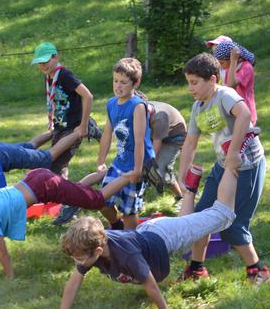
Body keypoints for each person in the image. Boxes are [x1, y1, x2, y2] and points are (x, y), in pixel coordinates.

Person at [57, 156, 244, 309]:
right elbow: (74, 283)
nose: (78, 262)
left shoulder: (126, 254)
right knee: (186, 225)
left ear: (98, 250)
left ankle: (231, 163)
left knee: (223, 215)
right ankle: (189, 191)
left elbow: (151, 284)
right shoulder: (92, 249)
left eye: (79, 258)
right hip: (150, 233)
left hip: (165, 236)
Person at [0, 168, 135, 279]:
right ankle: (101, 174)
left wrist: (10, 278)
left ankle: (130, 175)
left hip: (44, 187)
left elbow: (2, 252)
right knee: (77, 193)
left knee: (96, 200)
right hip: (35, 178)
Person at [175, 53, 270, 284]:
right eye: (189, 82)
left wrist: (234, 152)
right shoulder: (198, 107)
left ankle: (258, 272)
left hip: (246, 167)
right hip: (223, 166)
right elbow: (190, 143)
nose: (191, 88)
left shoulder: (225, 95)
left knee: (232, 224)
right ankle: (197, 270)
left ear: (213, 79)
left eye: (195, 82)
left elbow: (245, 114)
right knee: (202, 217)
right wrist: (180, 176)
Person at [89, 57, 153, 230]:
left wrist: (138, 170)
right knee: (102, 201)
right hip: (120, 161)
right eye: (115, 81)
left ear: (136, 83)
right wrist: (101, 161)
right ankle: (116, 225)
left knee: (129, 211)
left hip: (138, 163)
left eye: (124, 82)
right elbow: (107, 134)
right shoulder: (111, 104)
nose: (118, 86)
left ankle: (131, 242)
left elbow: (139, 141)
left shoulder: (137, 106)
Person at [32, 41, 95, 178]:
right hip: (60, 127)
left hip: (74, 127)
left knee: (55, 164)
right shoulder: (49, 76)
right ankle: (62, 195)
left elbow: (88, 96)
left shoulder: (65, 75)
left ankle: (89, 126)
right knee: (59, 165)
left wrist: (83, 126)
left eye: (46, 61)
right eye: (40, 62)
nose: (43, 65)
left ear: (56, 58)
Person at [144, 99, 188, 199]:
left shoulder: (159, 117)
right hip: (155, 134)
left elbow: (156, 144)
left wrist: (150, 164)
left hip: (174, 137)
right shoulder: (137, 109)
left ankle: (181, 197)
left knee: (160, 171)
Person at [212, 39, 258, 126]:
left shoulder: (246, 67)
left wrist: (233, 61)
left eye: (222, 63)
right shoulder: (229, 69)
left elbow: (231, 84)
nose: (220, 66)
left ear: (232, 58)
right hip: (233, 112)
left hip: (246, 113)